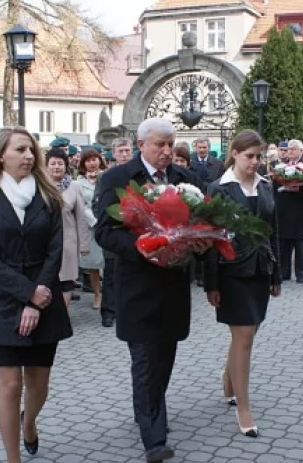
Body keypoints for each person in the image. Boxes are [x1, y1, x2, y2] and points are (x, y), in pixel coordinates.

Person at [94, 118, 206, 462]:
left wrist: (197, 244)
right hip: (137, 286)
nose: (167, 151)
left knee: (165, 357)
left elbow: (203, 222)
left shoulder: (186, 180)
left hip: (173, 286)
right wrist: (143, 247)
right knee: (144, 359)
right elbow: (105, 232)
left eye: (171, 144)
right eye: (160, 144)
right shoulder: (118, 179)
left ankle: (150, 408)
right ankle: (154, 437)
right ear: (141, 144)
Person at [0, 127, 71, 463]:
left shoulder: (49, 197)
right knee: (11, 384)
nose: (29, 156)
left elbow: (55, 252)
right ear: (1, 155)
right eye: (20, 150)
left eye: (31, 150)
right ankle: (13, 458)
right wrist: (27, 294)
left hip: (45, 295)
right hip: (3, 301)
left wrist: (37, 298)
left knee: (38, 385)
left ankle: (28, 422)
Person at [203, 130, 282, 438]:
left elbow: (271, 231)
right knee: (245, 336)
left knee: (248, 334)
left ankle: (228, 378)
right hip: (231, 272)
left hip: (261, 270)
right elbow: (211, 238)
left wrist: (276, 274)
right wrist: (211, 283)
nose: (255, 162)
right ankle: (244, 408)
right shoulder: (218, 188)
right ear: (234, 153)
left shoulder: (266, 186)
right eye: (249, 156)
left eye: (259, 156)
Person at [45, 148, 89, 308]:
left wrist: (83, 244)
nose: (56, 167)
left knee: (66, 281)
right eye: (53, 163)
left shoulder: (74, 186)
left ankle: (63, 314)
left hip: (67, 241)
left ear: (66, 166)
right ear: (46, 166)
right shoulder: (40, 185)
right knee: (47, 279)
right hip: (44, 241)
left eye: (60, 163)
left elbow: (81, 217)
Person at [98, 138, 134, 328]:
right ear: (113, 154)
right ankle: (108, 311)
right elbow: (98, 203)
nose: (124, 155)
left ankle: (124, 310)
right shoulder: (107, 177)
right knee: (110, 274)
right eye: (120, 151)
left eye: (127, 150)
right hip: (113, 230)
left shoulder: (137, 175)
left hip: (133, 231)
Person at [272, 140, 303, 283]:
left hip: (300, 207)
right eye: (288, 149)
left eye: (294, 149)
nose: (290, 151)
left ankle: (300, 273)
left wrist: (299, 189)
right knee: (284, 241)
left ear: (301, 151)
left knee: (299, 241)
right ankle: (284, 272)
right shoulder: (280, 166)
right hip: (284, 207)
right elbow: (274, 187)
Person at [74, 149, 105, 310]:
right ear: (83, 164)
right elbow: (81, 205)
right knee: (93, 263)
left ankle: (111, 293)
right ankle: (97, 294)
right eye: (88, 160)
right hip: (90, 225)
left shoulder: (107, 177)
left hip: (107, 223)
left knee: (108, 261)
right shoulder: (78, 183)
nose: (92, 163)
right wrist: (94, 220)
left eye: (95, 159)